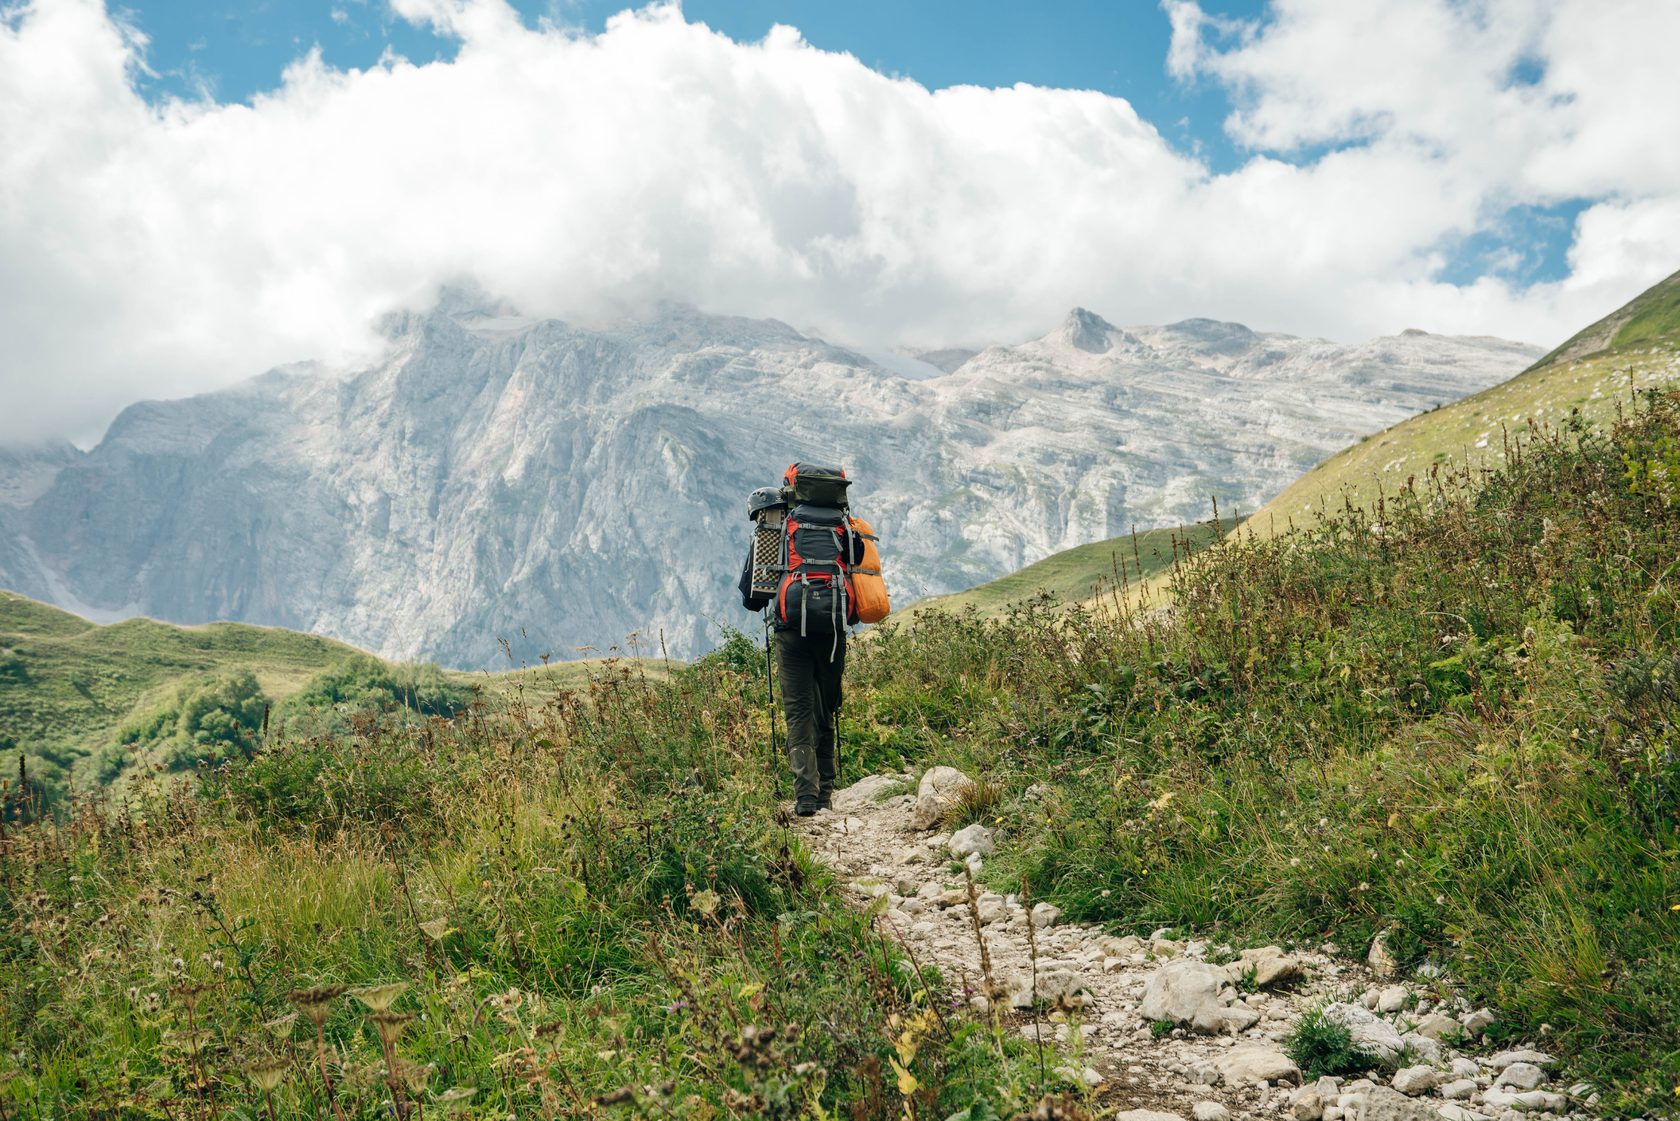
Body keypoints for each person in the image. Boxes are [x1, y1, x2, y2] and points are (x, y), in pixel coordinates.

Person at [738, 470, 866, 816]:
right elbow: (859, 565)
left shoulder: (774, 529)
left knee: (799, 712)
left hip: (790, 632)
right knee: (826, 708)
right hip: (834, 629)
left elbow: (752, 597)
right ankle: (825, 791)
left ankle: (805, 797)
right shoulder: (841, 525)